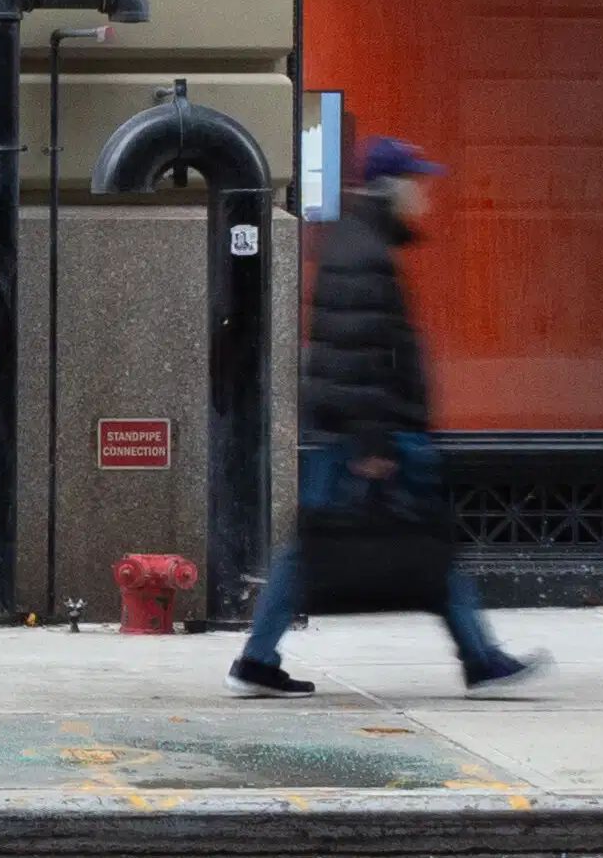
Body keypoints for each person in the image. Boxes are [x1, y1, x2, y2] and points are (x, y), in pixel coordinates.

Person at [230, 136, 547, 697]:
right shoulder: (364, 251)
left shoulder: (360, 242)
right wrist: (374, 443)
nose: (425, 198)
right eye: (418, 185)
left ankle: (258, 658)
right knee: (399, 542)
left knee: (344, 545)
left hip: (359, 430)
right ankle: (479, 658)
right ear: (394, 187)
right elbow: (355, 351)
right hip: (367, 434)